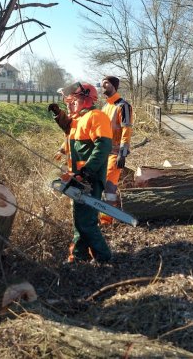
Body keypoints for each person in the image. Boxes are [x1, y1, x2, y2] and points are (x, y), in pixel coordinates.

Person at [48, 82, 113, 263]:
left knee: (86, 222)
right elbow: (68, 126)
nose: (70, 105)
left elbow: (104, 145)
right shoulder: (78, 120)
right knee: (80, 220)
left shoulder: (96, 116)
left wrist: (87, 171)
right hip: (78, 179)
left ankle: (104, 257)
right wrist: (58, 113)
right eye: (69, 102)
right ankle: (79, 255)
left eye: (74, 101)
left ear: (87, 99)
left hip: (89, 179)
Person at [99, 76, 133, 225]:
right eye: (102, 84)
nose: (103, 86)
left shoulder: (123, 105)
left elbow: (127, 130)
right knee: (100, 185)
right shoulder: (105, 107)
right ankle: (103, 216)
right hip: (102, 153)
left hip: (115, 154)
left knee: (109, 187)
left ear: (113, 86)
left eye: (106, 83)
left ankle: (107, 221)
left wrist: (123, 153)